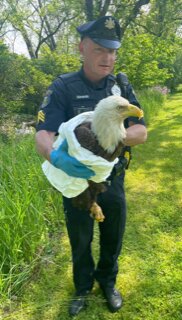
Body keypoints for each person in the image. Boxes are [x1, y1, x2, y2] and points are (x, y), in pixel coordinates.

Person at [35, 16, 147, 316]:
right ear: (81, 48)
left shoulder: (120, 87)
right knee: (80, 237)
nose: (108, 58)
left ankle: (108, 283)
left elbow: (141, 131)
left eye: (112, 51)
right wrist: (55, 157)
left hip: (113, 177)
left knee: (113, 235)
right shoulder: (63, 87)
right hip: (76, 180)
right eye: (99, 49)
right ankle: (82, 287)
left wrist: (110, 141)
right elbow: (43, 134)